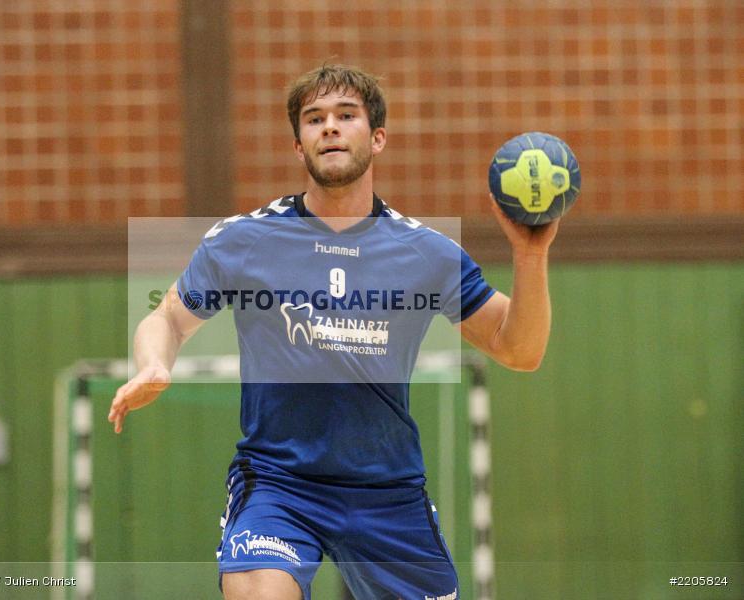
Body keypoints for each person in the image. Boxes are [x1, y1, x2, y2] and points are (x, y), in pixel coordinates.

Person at [109, 64, 558, 600]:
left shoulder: (426, 254)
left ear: (377, 137)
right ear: (298, 146)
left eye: (347, 116)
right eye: (313, 118)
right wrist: (154, 364)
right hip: (279, 483)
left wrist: (531, 254)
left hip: (387, 492)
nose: (329, 127)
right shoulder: (247, 240)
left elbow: (520, 349)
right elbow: (166, 318)